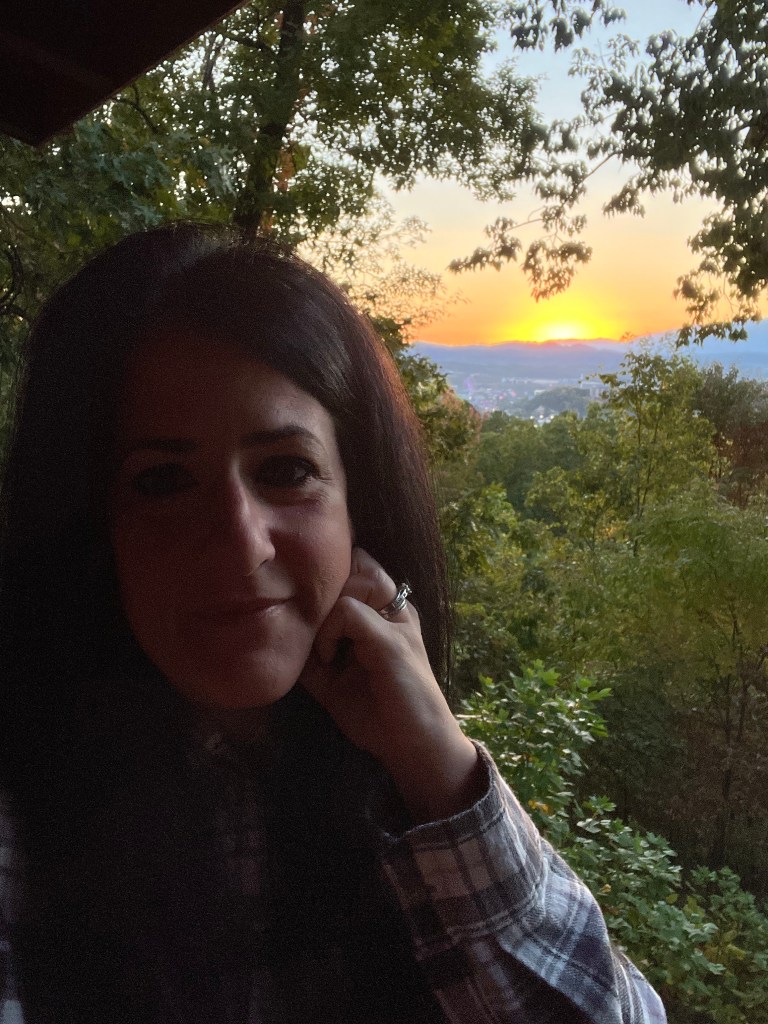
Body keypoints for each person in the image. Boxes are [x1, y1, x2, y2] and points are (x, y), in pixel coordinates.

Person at [0, 224, 666, 1024]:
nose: (242, 545)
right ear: (87, 523)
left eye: (286, 470)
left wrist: (439, 764)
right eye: (164, 481)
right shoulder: (29, 820)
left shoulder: (408, 793)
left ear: (359, 504)